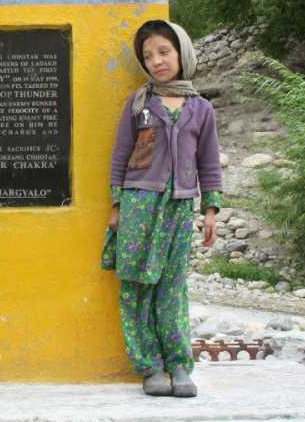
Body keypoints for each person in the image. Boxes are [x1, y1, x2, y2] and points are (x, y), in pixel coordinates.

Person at [104, 20, 222, 398]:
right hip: (139, 205)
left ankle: (179, 365)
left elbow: (209, 162)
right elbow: (121, 154)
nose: (156, 61)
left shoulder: (201, 109)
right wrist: (117, 203)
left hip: (179, 207)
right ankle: (150, 366)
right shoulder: (139, 104)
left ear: (182, 53)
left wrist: (211, 210)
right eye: (148, 55)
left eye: (164, 52)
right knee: (136, 287)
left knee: (172, 287)